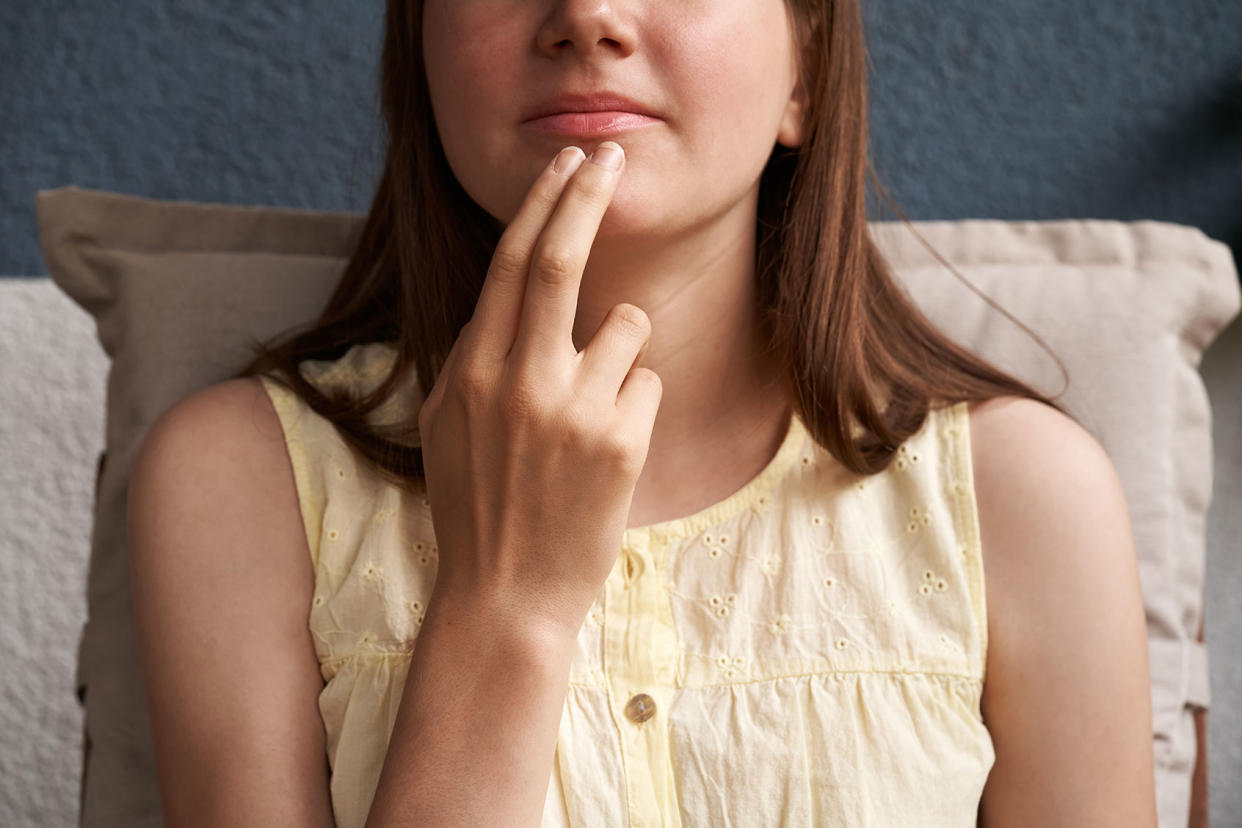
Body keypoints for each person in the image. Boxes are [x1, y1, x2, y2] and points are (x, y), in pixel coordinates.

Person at [126, 0, 1158, 825]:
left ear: (804, 65)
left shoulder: (1029, 497)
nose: (588, 16)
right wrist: (503, 606)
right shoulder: (235, 483)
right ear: (420, 52)